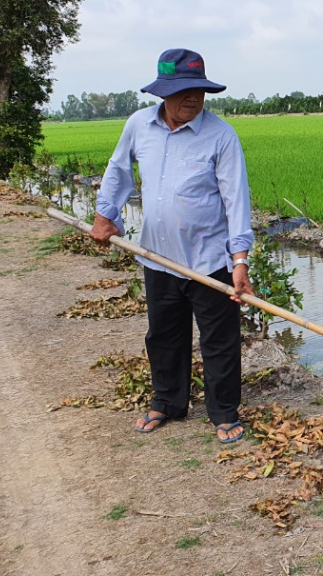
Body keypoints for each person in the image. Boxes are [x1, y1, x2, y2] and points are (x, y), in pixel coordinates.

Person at [90, 48, 254, 443]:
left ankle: (223, 411)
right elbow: (117, 168)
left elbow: (236, 199)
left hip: (208, 260)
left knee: (219, 341)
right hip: (158, 257)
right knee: (163, 335)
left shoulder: (221, 136)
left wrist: (240, 260)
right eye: (183, 91)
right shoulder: (138, 126)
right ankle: (167, 402)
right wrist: (104, 213)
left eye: (199, 90)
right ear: (163, 93)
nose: (193, 99)